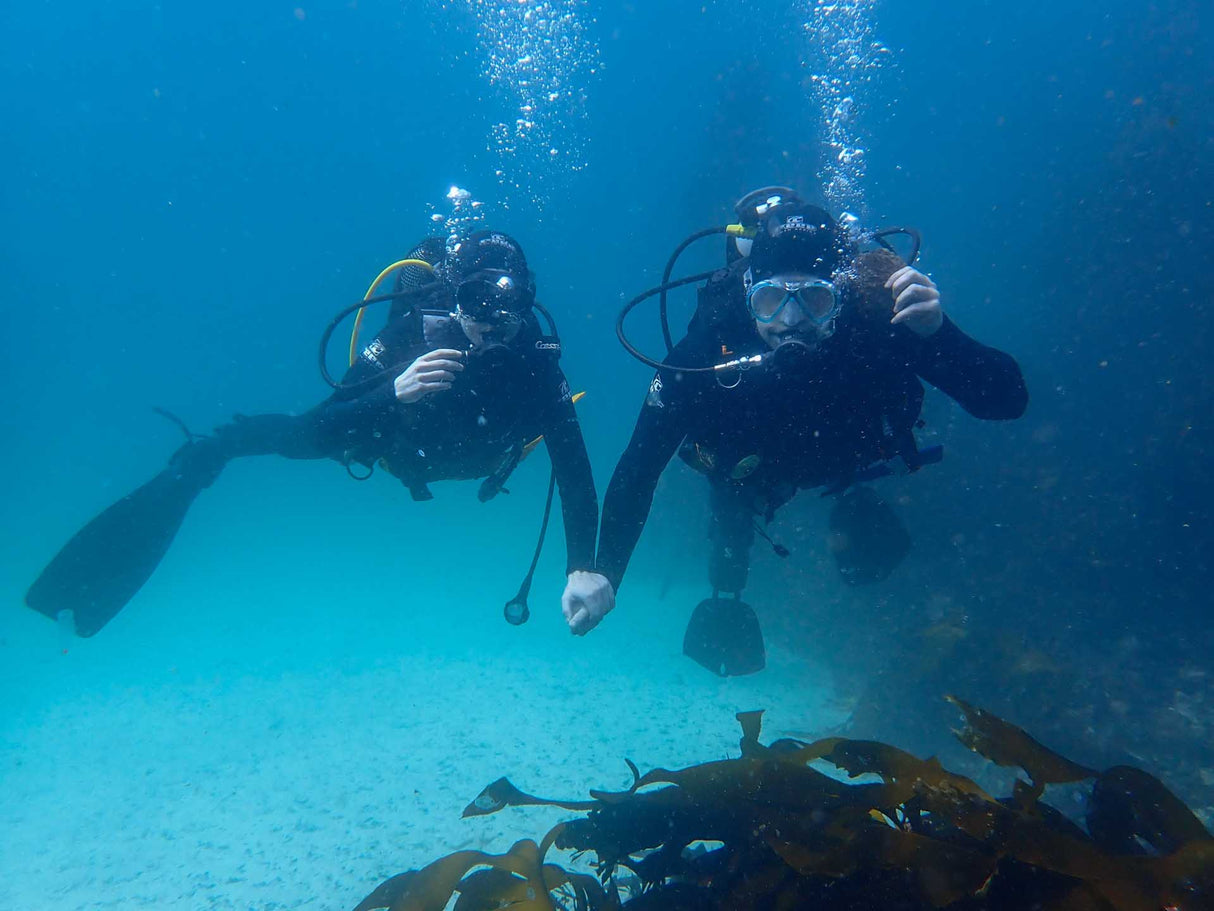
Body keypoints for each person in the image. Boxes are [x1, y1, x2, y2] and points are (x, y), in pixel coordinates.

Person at [26, 230, 614, 637]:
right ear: (453, 295)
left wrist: (583, 564)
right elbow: (312, 431)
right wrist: (392, 391)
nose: (491, 323)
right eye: (475, 301)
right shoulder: (412, 336)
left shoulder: (537, 363)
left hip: (476, 459)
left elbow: (575, 469)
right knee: (291, 438)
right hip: (394, 448)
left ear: (528, 303)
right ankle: (203, 458)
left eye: (509, 306)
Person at [579, 195, 1027, 673]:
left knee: (855, 521)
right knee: (731, 508)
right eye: (771, 300)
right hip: (747, 469)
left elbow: (1006, 401)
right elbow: (640, 465)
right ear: (748, 291)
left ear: (842, 294)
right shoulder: (711, 340)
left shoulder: (879, 322)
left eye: (814, 299)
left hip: (846, 461)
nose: (790, 322)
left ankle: (847, 508)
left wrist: (940, 334)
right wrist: (606, 570)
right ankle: (727, 580)